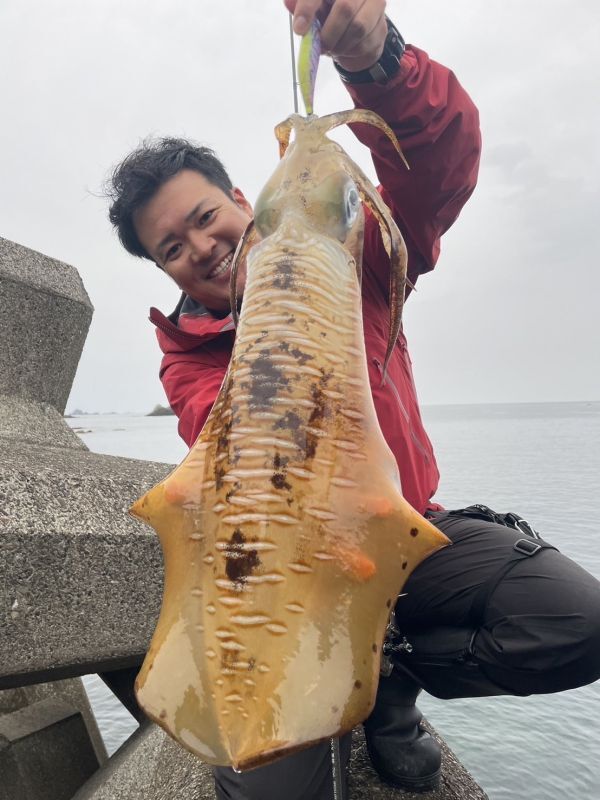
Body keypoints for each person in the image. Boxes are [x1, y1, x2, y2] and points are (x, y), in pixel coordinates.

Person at [106, 1, 600, 798]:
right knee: (262, 775)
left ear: (240, 197)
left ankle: (389, 678)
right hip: (280, 579)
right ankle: (341, 677)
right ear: (164, 270)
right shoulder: (187, 361)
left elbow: (436, 171)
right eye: (173, 248)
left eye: (205, 218)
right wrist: (269, 317)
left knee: (577, 623)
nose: (200, 247)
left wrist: (378, 61)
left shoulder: (361, 257)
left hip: (399, 532)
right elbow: (228, 435)